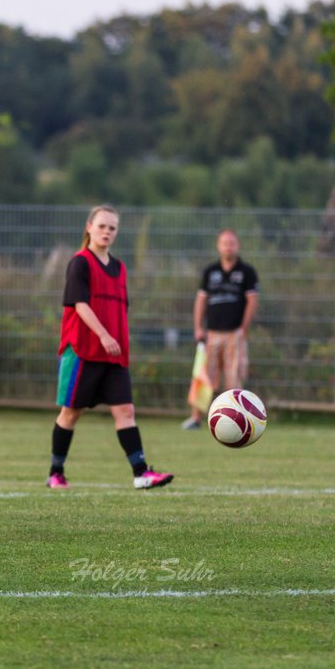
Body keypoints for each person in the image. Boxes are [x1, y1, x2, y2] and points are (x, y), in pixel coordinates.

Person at [47, 204, 173, 491]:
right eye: (102, 226)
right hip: (82, 350)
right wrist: (103, 335)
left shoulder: (120, 268)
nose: (107, 232)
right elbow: (80, 305)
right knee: (71, 414)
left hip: (114, 356)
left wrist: (118, 340)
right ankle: (56, 472)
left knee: (126, 411)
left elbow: (119, 311)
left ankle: (141, 473)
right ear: (89, 227)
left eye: (112, 228)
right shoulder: (80, 262)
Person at [181, 229, 259, 429]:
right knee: (204, 376)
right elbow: (201, 301)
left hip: (234, 333)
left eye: (231, 243)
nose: (228, 247)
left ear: (237, 245)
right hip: (211, 333)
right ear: (218, 246)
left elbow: (252, 301)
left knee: (234, 377)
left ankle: (235, 420)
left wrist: (243, 328)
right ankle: (196, 417)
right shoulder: (210, 271)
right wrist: (198, 327)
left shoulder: (246, 272)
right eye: (224, 243)